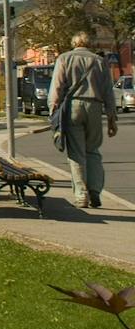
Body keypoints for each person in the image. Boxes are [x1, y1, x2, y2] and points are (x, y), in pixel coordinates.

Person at [48, 32, 119, 208]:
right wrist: (112, 117)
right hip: (94, 106)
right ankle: (95, 190)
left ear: (74, 43)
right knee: (93, 150)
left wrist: (53, 109)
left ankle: (81, 195)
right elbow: (108, 91)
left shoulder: (64, 58)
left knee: (76, 153)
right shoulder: (99, 61)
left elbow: (56, 87)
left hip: (73, 107)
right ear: (88, 44)